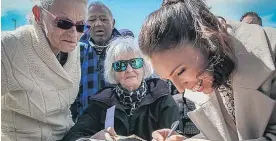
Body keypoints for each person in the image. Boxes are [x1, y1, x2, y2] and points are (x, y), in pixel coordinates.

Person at [138, 0, 276, 140]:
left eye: (180, 72)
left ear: (206, 39)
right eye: (169, 79)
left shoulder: (272, 49)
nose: (180, 88)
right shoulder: (206, 75)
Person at [1, 0, 89, 140]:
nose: (74, 34)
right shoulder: (9, 46)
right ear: (38, 14)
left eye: (81, 26)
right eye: (64, 23)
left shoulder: (74, 47)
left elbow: (64, 112)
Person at [62, 37, 181, 141]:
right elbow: (72, 136)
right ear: (113, 72)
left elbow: (175, 136)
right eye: (120, 65)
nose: (129, 69)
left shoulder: (162, 99)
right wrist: (92, 139)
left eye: (135, 62)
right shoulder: (101, 104)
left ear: (144, 67)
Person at [70, 1, 123, 121]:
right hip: (85, 121)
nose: (98, 24)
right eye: (92, 20)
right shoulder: (76, 50)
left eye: (104, 19)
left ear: (113, 23)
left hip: (120, 122)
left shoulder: (125, 49)